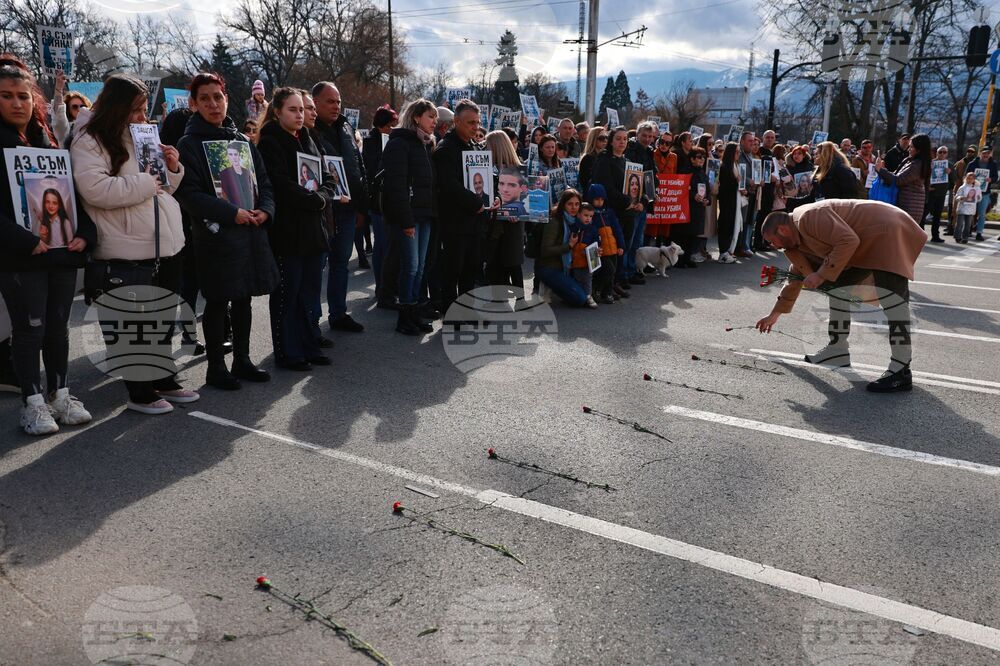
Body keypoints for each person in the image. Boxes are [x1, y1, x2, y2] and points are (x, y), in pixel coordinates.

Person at [74, 74, 199, 414]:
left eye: (145, 110)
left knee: (161, 315)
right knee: (135, 321)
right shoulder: (88, 138)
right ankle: (140, 390)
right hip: (126, 244)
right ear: (117, 109)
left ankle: (162, 376)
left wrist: (172, 169)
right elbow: (95, 190)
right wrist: (148, 181)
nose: (143, 117)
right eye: (137, 110)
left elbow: (162, 188)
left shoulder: (140, 135)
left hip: (163, 240)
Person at [0, 54, 96, 434]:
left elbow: (72, 195)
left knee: (58, 329)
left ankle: (60, 394)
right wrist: (25, 240)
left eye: (23, 96)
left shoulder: (48, 140)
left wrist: (84, 233)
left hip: (59, 254)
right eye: (6, 96)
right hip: (19, 258)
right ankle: (33, 402)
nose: (17, 103)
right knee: (30, 330)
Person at [175, 72, 279, 391]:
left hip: (250, 232)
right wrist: (232, 212)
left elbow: (264, 182)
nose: (213, 104)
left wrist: (266, 210)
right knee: (219, 301)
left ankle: (243, 360)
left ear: (227, 99)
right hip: (216, 236)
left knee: (244, 299)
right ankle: (216, 368)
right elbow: (189, 195)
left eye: (218, 97)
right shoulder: (188, 143)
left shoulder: (241, 141)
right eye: (204, 98)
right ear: (194, 104)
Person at [756, 200, 927, 393]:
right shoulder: (797, 241)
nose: (773, 246)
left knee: (893, 301)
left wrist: (820, 274)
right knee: (837, 287)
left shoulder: (808, 218)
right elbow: (796, 275)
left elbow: (848, 240)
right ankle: (837, 350)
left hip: (887, 231)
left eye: (772, 241)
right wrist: (774, 314)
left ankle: (901, 370)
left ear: (782, 230)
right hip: (866, 241)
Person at [256, 87, 336, 370]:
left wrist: (323, 195)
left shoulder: (309, 138)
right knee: (287, 294)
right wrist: (313, 199)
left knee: (308, 293)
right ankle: (287, 351)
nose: (300, 114)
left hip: (314, 229)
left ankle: (308, 344)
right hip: (289, 231)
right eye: (293, 109)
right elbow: (278, 183)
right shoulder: (269, 142)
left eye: (301, 109)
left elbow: (326, 176)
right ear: (277, 112)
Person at [311, 81, 368, 332]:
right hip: (321, 209)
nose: (336, 106)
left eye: (338, 102)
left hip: (346, 208)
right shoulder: (308, 129)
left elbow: (357, 164)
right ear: (315, 103)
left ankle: (338, 313)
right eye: (329, 101)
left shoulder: (346, 125)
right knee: (316, 267)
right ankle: (311, 319)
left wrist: (361, 205)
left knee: (341, 263)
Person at [432, 99, 496, 315]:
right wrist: (476, 203)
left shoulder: (475, 146)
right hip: (455, 221)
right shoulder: (446, 148)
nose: (476, 127)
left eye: (477, 122)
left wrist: (492, 198)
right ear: (456, 121)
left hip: (474, 221)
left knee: (471, 269)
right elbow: (449, 185)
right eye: (470, 123)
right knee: (453, 270)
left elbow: (485, 180)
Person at [381, 99, 437, 335]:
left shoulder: (425, 144)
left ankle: (413, 312)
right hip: (409, 217)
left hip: (425, 215)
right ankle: (404, 317)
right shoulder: (400, 144)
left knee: (420, 267)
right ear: (416, 117)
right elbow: (397, 187)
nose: (434, 121)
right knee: (411, 267)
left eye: (435, 117)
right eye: (430, 116)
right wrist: (406, 221)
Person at [592, 127, 641, 295]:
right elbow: (606, 187)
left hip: (628, 212)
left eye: (625, 139)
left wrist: (638, 201)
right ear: (611, 141)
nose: (622, 142)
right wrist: (626, 201)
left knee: (622, 248)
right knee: (610, 249)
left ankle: (617, 281)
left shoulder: (627, 161)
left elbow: (634, 187)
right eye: (618, 138)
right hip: (612, 212)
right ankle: (607, 285)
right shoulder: (604, 160)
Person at [361, 104, 397, 284]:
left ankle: (388, 285)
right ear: (382, 125)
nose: (393, 129)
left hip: (389, 200)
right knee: (382, 245)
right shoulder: (371, 142)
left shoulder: (389, 140)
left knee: (389, 245)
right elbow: (373, 171)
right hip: (378, 201)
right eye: (391, 125)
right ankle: (381, 286)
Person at [535, 188, 588, 307]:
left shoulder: (576, 221)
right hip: (549, 268)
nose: (574, 207)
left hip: (568, 267)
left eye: (577, 204)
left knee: (585, 294)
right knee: (580, 299)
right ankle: (549, 284)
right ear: (563, 204)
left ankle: (559, 286)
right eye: (570, 204)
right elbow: (545, 250)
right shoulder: (555, 222)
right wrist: (568, 246)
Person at [876, 132, 930, 225]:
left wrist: (880, 170)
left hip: (910, 207)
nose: (909, 149)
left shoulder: (917, 165)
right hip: (906, 205)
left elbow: (898, 180)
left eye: (912, 147)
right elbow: (897, 176)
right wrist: (883, 169)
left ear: (919, 149)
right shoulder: (912, 161)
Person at [586, 184, 625, 303]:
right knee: (608, 270)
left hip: (612, 248)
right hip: (601, 249)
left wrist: (621, 245)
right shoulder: (590, 214)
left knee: (611, 272)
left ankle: (607, 292)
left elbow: (617, 229)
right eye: (597, 199)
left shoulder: (609, 213)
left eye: (602, 199)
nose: (599, 202)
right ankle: (598, 289)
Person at [625, 121, 656, 268]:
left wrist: (653, 188)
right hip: (632, 201)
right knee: (630, 240)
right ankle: (626, 272)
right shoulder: (630, 150)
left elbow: (651, 175)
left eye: (650, 136)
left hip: (644, 200)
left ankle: (634, 270)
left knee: (638, 240)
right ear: (637, 134)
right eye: (644, 135)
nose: (647, 139)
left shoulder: (650, 151)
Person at [963, 145, 997, 241]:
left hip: (985, 192)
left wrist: (991, 179)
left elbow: (995, 177)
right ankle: (967, 231)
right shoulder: (972, 164)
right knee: (969, 212)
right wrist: (970, 181)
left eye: (988, 153)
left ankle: (979, 233)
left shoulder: (993, 164)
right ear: (980, 153)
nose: (986, 155)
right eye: (984, 153)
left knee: (982, 214)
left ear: (990, 154)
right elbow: (965, 176)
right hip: (972, 191)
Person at [716, 142, 742, 264]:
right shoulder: (725, 166)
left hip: (733, 199)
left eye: (739, 152)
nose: (738, 154)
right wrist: (737, 182)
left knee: (731, 225)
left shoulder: (734, 165)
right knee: (725, 225)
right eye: (736, 152)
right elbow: (725, 186)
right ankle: (723, 252)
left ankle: (727, 251)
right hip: (726, 201)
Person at [569, 202, 599, 308]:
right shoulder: (573, 227)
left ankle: (588, 296)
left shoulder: (593, 229)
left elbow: (596, 242)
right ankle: (578, 297)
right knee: (577, 278)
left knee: (587, 278)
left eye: (591, 216)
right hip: (575, 259)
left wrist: (595, 249)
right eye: (586, 215)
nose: (588, 218)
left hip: (588, 260)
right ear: (578, 215)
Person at [51, 69, 90, 147]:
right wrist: (58, 89)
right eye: (74, 107)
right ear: (68, 110)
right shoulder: (66, 130)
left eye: (83, 106)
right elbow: (59, 116)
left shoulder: (94, 127)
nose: (80, 109)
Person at [924, 145, 952, 243]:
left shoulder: (949, 164)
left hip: (941, 194)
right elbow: (924, 176)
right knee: (924, 213)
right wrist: (927, 186)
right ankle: (920, 234)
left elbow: (954, 180)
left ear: (947, 154)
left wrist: (949, 173)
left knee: (937, 216)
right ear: (937, 153)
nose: (942, 154)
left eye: (944, 152)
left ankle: (935, 236)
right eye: (940, 152)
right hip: (931, 192)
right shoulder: (931, 163)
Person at [953, 172, 982, 243]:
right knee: (959, 223)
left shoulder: (977, 188)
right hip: (962, 208)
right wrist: (961, 197)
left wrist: (978, 197)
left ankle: (965, 238)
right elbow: (956, 197)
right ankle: (957, 236)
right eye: (968, 178)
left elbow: (979, 198)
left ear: (974, 180)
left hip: (971, 209)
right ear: (965, 178)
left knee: (968, 224)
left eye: (971, 179)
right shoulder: (962, 187)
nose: (969, 180)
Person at [577, 127, 607, 193]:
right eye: (601, 138)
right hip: (592, 196)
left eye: (606, 137)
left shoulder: (605, 157)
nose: (605, 140)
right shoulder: (587, 159)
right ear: (593, 139)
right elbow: (585, 183)